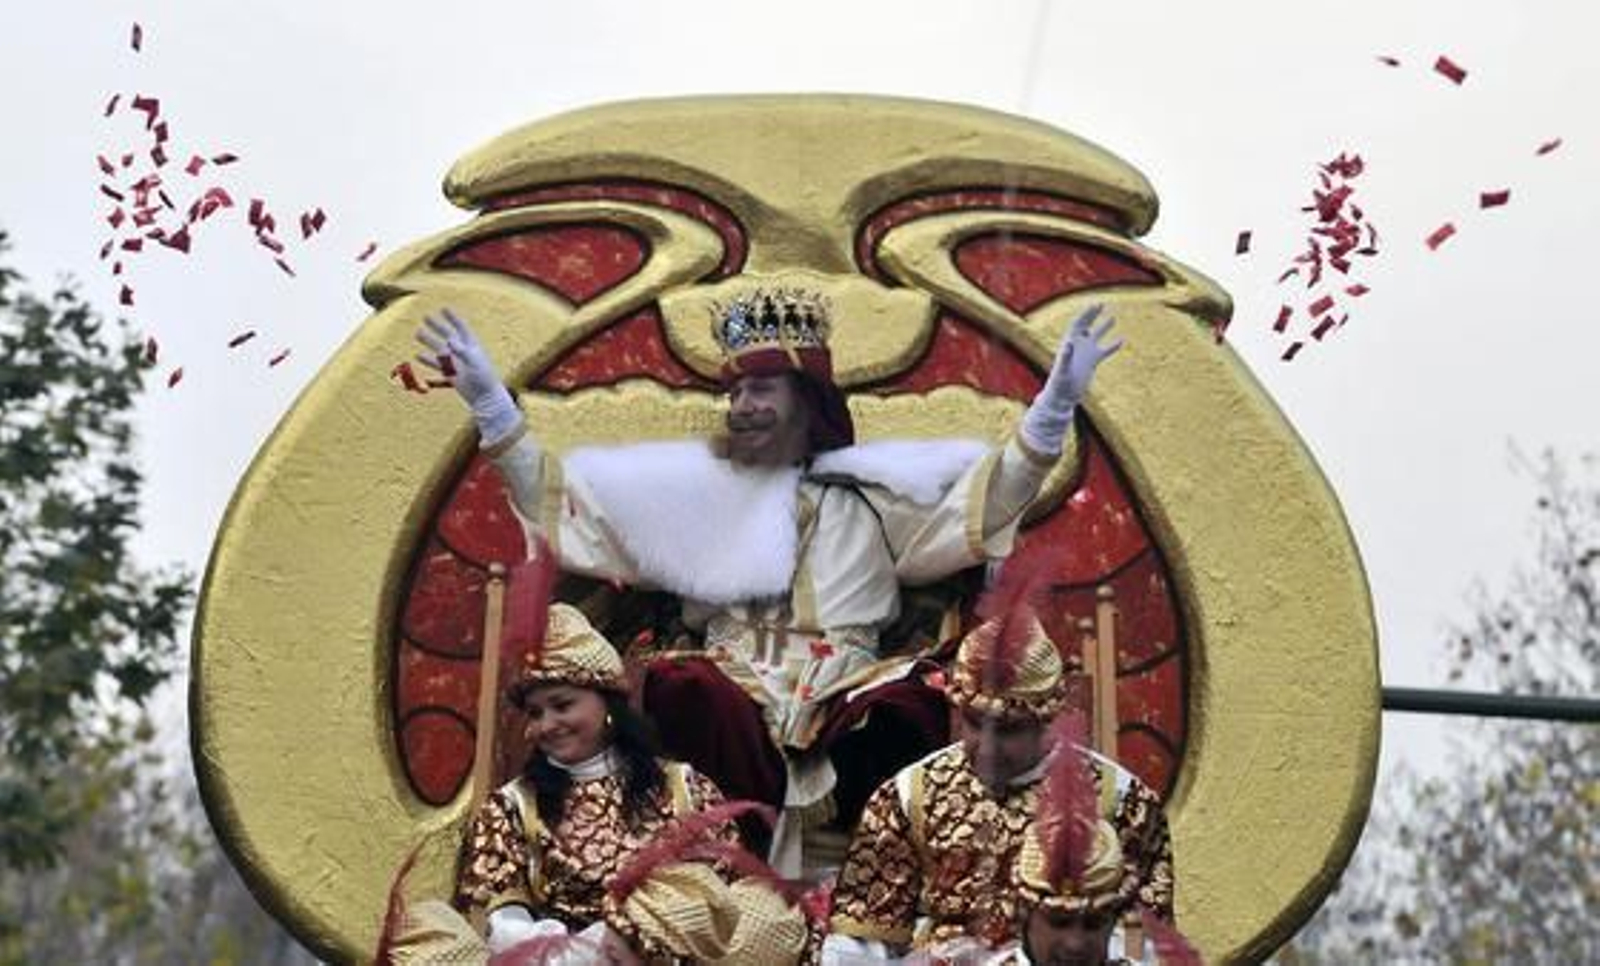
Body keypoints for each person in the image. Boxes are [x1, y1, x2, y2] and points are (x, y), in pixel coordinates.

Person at [419, 285, 1122, 873]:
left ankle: (878, 878)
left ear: (806, 399)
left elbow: (988, 502)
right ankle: (736, 865)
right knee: (682, 688)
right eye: (735, 394)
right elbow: (571, 516)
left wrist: (1055, 404)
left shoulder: (876, 498)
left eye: (759, 389)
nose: (742, 406)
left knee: (914, 706)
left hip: (848, 690)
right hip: (733, 684)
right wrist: (492, 409)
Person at [452, 602, 809, 964]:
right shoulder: (512, 806)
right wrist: (591, 950)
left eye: (562, 705)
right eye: (535, 712)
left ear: (607, 704)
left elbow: (729, 900)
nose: (547, 725)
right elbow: (504, 927)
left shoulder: (684, 785)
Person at [821, 610, 1173, 962]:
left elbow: (1144, 946)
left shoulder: (1122, 803)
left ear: (1048, 718)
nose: (987, 748)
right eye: (974, 723)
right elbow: (860, 945)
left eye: (1008, 729)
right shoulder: (909, 796)